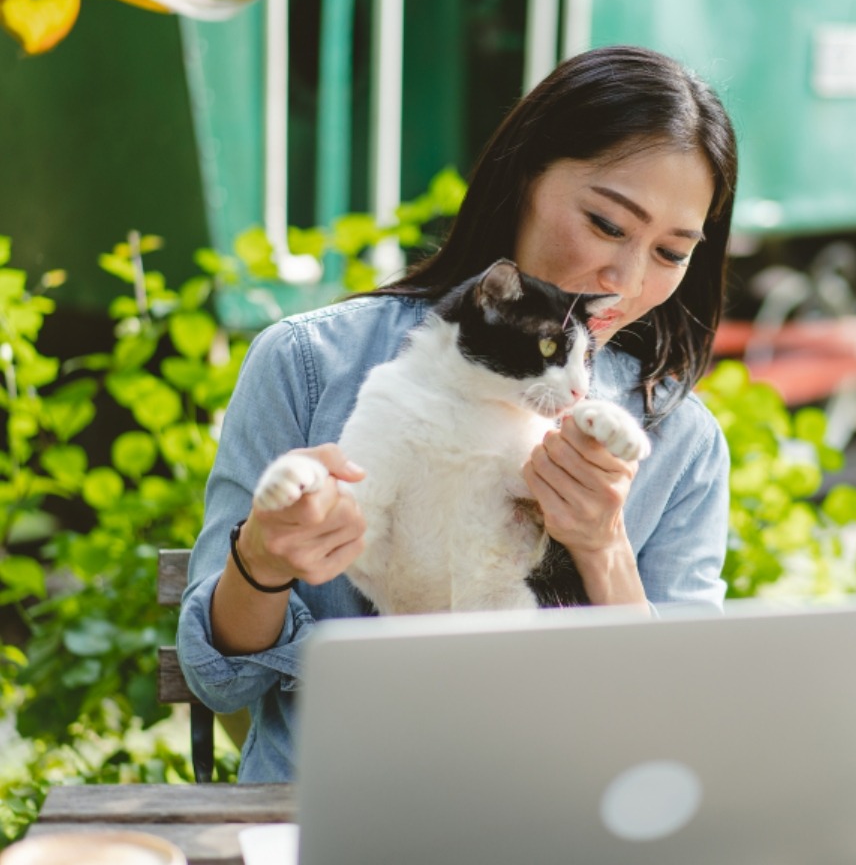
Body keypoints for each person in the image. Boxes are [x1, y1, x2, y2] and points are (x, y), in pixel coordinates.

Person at [177, 44, 739, 782]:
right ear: (525, 178)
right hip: (330, 811)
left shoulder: (677, 440)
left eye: (671, 252)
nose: (626, 281)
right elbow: (219, 681)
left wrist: (601, 549)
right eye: (607, 224)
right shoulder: (312, 366)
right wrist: (263, 560)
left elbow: (675, 732)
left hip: (552, 819)